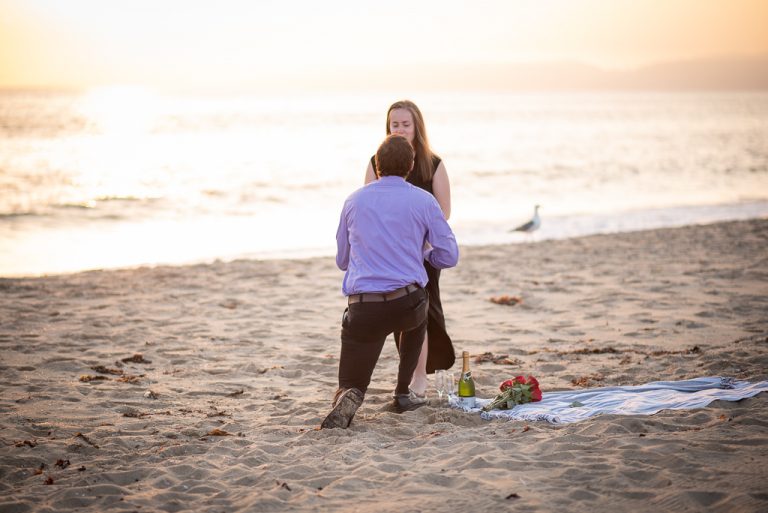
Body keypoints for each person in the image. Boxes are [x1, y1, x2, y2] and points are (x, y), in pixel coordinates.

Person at [322, 134, 459, 429]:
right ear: (410, 166)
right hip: (407, 303)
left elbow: (342, 261)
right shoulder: (424, 201)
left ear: (378, 165)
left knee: (354, 356)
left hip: (364, 307)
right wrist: (425, 256)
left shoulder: (354, 201)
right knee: (419, 315)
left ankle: (350, 391)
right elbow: (449, 255)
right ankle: (402, 392)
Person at [364, 100, 454, 397]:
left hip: (423, 253)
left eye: (405, 124)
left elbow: (444, 212)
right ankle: (410, 375)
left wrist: (423, 242)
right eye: (394, 125)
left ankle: (419, 378)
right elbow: (369, 206)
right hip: (390, 253)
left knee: (422, 314)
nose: (400, 130)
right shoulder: (377, 162)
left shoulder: (433, 163)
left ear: (417, 127)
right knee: (398, 314)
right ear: (387, 127)